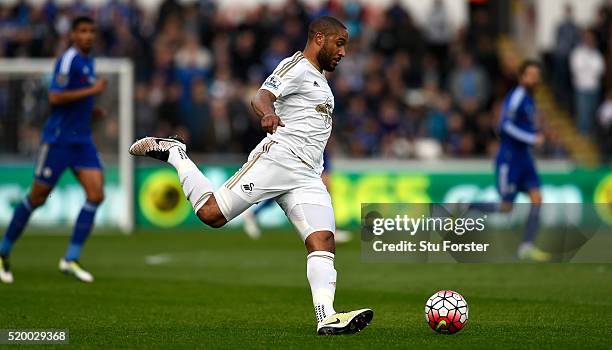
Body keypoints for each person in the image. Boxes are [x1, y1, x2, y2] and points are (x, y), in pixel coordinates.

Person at [129, 16, 373, 335]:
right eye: (339, 44)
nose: (343, 52)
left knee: (323, 241)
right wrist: (268, 113)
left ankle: (325, 316)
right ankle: (176, 153)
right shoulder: (296, 66)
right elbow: (261, 95)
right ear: (319, 38)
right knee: (211, 214)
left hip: (308, 175)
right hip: (279, 159)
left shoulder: (321, 79)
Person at [0, 16, 107, 284]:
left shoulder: (88, 60)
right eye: (82, 31)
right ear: (72, 34)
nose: (88, 36)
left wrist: (91, 108)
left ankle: (70, 258)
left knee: (96, 194)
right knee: (37, 197)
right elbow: (55, 96)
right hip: (58, 140)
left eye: (91, 31)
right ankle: (2, 252)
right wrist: (92, 91)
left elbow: (74, 99)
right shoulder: (68, 59)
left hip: (81, 140)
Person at [468, 61, 549, 261]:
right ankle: (470, 207)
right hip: (510, 158)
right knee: (506, 207)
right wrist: (532, 138)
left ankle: (526, 246)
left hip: (525, 158)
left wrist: (535, 132)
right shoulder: (518, 96)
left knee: (537, 198)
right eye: (531, 74)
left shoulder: (530, 99)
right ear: (522, 77)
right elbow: (505, 126)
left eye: (537, 75)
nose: (535, 78)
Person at [242, 150, 352, 243]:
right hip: (300, 146)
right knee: (281, 189)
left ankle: (330, 230)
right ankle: (253, 214)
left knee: (323, 188)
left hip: (315, 144)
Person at [570, 29, 605, 135]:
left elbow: (600, 69)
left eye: (591, 38)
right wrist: (589, 69)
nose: (589, 40)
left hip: (594, 86)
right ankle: (582, 133)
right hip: (582, 86)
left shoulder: (597, 53)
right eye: (587, 37)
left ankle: (591, 132)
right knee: (583, 111)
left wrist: (588, 68)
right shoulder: (577, 52)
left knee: (593, 111)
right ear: (584, 39)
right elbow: (576, 68)